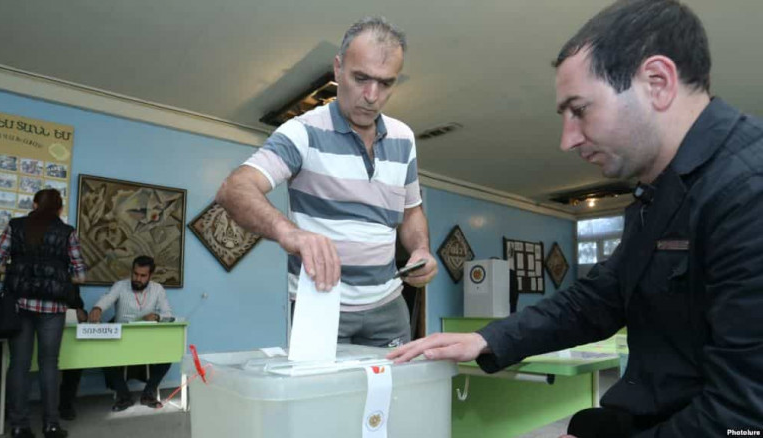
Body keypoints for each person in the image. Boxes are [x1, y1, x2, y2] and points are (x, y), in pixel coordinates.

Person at [388, 1, 763, 436]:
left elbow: (743, 418)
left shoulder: (747, 189)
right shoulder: (656, 193)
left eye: (580, 110)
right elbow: (600, 298)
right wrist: (487, 339)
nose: (567, 140)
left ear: (657, 83)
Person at [216, 16, 437, 348]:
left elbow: (411, 211)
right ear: (338, 68)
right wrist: (290, 233)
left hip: (389, 306)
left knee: (395, 383)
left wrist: (420, 249)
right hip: (320, 303)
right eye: (360, 78)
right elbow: (234, 188)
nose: (371, 96)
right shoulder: (303, 132)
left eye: (385, 83)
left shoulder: (403, 138)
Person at [0, 189, 85, 438]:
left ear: (33, 204)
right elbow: (80, 275)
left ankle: (19, 426)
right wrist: (59, 276)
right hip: (53, 308)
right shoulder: (67, 232)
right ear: (59, 209)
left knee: (18, 365)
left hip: (19, 306)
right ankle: (51, 425)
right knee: (49, 365)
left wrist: (16, 271)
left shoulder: (15, 226)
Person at [0, 285, 86, 426]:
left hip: (56, 338)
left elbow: (79, 310)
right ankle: (0, 408)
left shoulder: (66, 281)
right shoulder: (19, 278)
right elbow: (6, 303)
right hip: (21, 333)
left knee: (77, 354)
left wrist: (81, 313)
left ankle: (65, 404)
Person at [88, 256, 173, 411]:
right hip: (121, 341)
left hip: (147, 340)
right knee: (103, 354)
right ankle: (124, 397)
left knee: (169, 354)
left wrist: (157, 317)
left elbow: (168, 314)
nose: (137, 279)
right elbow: (107, 298)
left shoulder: (158, 289)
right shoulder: (120, 286)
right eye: (135, 274)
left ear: (150, 276)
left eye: (143, 276)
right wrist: (97, 308)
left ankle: (148, 394)